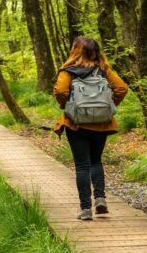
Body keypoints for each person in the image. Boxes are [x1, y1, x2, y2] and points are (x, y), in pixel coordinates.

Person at [53, 37, 129, 220]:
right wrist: (108, 107)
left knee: (82, 166)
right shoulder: (103, 70)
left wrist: (68, 106)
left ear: (75, 51)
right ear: (96, 51)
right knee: (96, 161)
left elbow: (61, 91)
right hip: (101, 123)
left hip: (76, 124)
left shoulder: (68, 71)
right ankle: (100, 198)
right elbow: (122, 88)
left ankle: (86, 209)